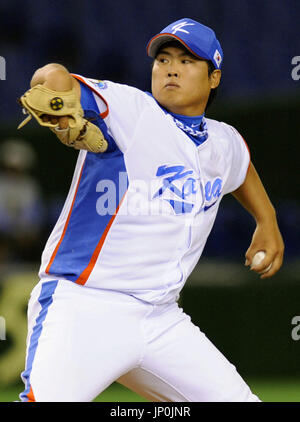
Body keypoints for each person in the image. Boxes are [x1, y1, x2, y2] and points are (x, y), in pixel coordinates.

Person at [18, 18, 284, 402]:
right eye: (163, 59)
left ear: (214, 78)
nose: (171, 67)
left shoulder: (223, 141)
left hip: (161, 318)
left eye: (187, 60)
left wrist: (267, 218)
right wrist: (56, 95)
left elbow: (241, 168)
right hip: (86, 305)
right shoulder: (132, 110)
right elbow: (53, 76)